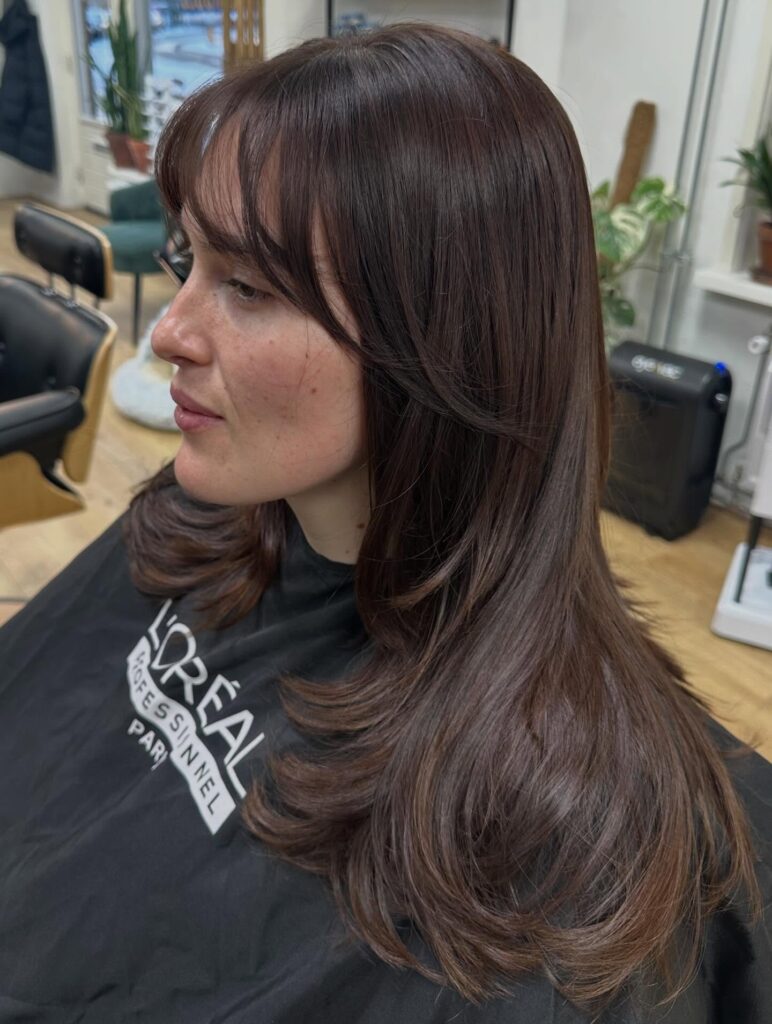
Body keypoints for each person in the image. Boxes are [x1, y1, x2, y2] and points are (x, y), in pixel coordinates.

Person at [0, 21, 770, 1024]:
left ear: (437, 345)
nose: (170, 331)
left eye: (249, 286)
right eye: (190, 261)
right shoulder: (205, 519)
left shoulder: (546, 866)